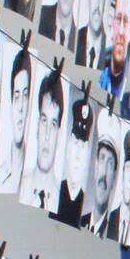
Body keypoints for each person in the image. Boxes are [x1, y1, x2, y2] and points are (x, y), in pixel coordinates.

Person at [0, 46, 32, 194]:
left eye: (25, 95)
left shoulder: (32, 175)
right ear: (10, 105)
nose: (21, 107)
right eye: (16, 97)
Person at [23, 70, 64, 212]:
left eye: (53, 124)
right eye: (44, 120)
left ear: (59, 136)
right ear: (36, 127)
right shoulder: (18, 186)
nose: (47, 135)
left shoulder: (61, 202)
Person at [54, 92, 93, 228]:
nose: (78, 155)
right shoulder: (52, 195)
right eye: (76, 143)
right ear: (68, 144)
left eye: (83, 146)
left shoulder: (88, 212)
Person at [89, 130, 123, 240]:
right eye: (102, 158)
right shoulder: (77, 219)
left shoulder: (113, 235)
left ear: (114, 178)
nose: (104, 172)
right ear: (95, 167)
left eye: (110, 163)